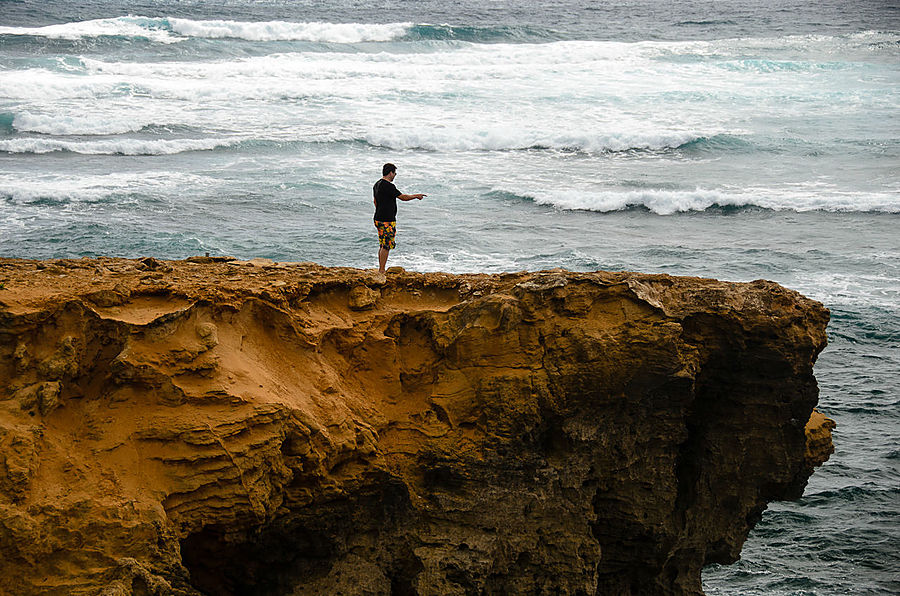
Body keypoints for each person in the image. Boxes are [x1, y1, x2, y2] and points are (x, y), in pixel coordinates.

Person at [373, 163, 426, 274]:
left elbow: (375, 202)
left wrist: (381, 211)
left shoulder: (377, 184)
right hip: (387, 220)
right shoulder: (388, 186)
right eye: (394, 173)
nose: (395, 175)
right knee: (386, 245)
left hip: (378, 218)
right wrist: (416, 196)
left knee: (383, 244)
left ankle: (381, 268)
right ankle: (382, 270)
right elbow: (403, 197)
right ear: (390, 172)